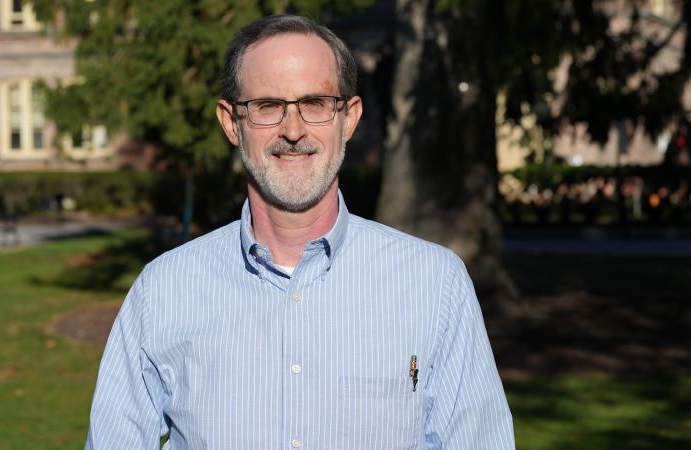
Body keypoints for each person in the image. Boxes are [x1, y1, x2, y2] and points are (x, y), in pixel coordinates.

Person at [86, 14, 515, 450]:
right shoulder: (162, 291)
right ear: (231, 122)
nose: (293, 130)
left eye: (315, 103)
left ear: (348, 118)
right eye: (268, 106)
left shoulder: (435, 284)